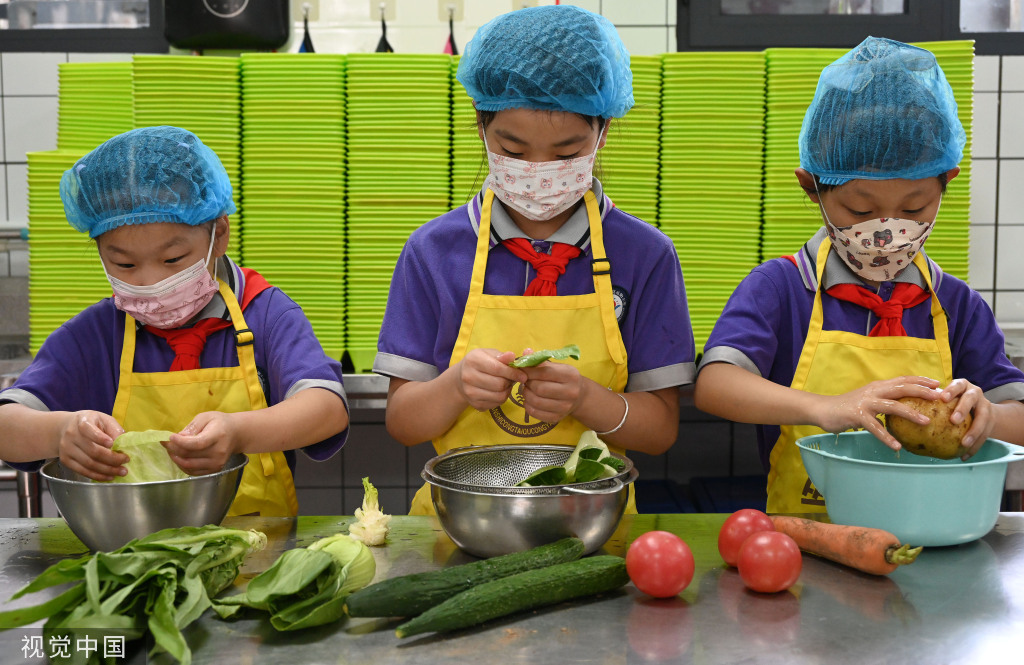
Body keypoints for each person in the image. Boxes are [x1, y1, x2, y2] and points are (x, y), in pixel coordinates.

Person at [374, 4, 695, 514]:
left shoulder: (645, 255)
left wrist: (588, 400)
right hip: (458, 523)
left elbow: (659, 432)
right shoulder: (433, 253)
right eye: (515, 150)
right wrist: (457, 386)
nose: (541, 171)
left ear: (602, 133)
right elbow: (403, 422)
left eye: (567, 153)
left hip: (593, 526)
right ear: (482, 127)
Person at [694, 37, 1024, 514]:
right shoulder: (783, 288)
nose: (888, 231)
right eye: (860, 209)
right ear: (812, 187)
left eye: (914, 208)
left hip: (931, 538)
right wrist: (825, 407)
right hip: (808, 544)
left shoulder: (957, 306)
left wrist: (985, 416)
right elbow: (716, 385)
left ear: (946, 183)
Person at [0, 126, 349, 517]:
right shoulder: (97, 335)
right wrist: (59, 432)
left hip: (258, 555)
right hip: (130, 555)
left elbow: (327, 409)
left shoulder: (265, 314)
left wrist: (239, 432)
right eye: (124, 264)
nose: (151, 282)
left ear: (218, 235)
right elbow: (6, 424)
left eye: (172, 260)